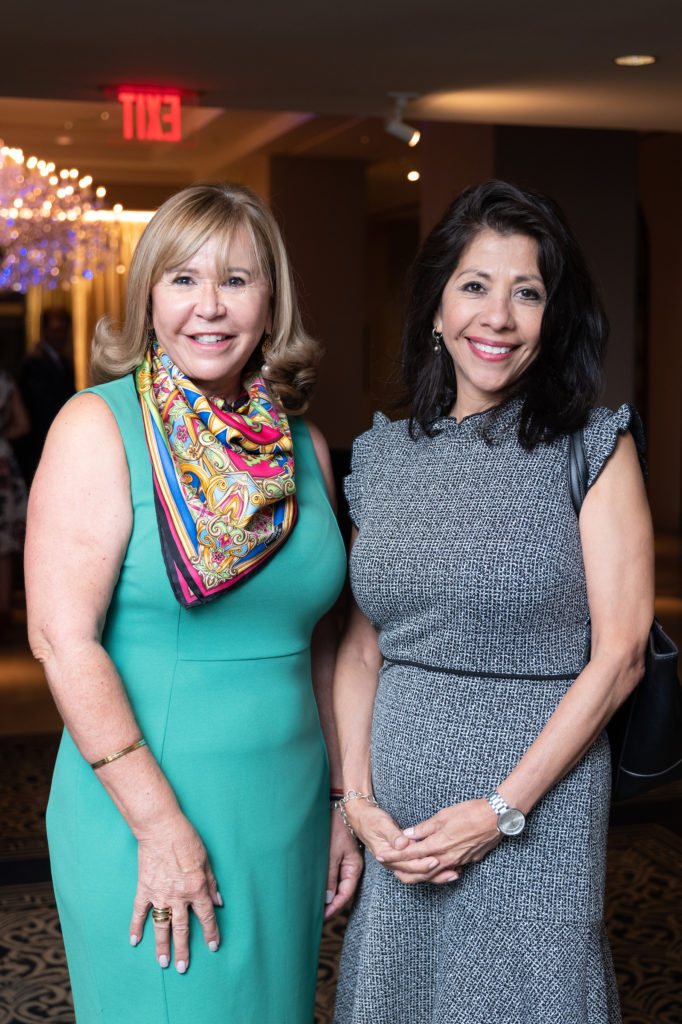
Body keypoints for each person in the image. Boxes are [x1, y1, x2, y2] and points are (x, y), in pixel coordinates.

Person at [25, 182, 362, 1023]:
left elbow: (322, 642)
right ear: (146, 297)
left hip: (285, 808)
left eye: (237, 280)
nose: (208, 306)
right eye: (182, 279)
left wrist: (340, 804)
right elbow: (63, 641)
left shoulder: (305, 445)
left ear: (270, 301)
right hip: (148, 805)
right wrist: (160, 827)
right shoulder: (94, 428)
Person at [332, 180, 653, 1024]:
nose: (498, 317)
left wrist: (500, 810)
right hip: (396, 825)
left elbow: (619, 655)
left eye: (528, 292)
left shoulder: (594, 448)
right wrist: (356, 800)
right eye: (475, 285)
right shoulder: (380, 455)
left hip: (535, 812)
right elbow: (364, 648)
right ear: (437, 309)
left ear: (554, 319)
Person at [17, 306, 75, 482]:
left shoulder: (63, 361)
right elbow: (43, 408)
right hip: (41, 443)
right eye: (56, 330)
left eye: (64, 331)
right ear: (44, 331)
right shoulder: (34, 361)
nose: (61, 336)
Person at [0, 368, 29, 635]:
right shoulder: (5, 379)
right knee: (4, 544)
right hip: (1, 462)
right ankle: (5, 611)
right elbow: (23, 424)